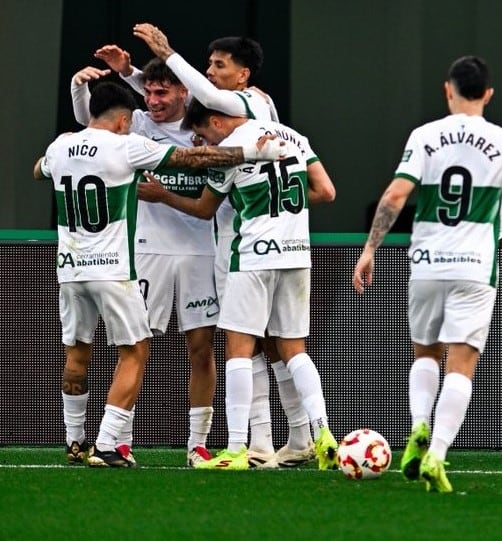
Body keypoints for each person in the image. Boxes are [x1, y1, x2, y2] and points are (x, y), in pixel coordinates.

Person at [35, 80, 286, 467]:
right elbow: (190, 161)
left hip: (74, 266)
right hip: (124, 263)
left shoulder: (59, 146)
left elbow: (40, 170)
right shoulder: (129, 142)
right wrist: (254, 150)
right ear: (124, 120)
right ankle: (112, 443)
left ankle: (81, 440)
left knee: (87, 350)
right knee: (136, 349)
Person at [132, 23, 335, 467]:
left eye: (218, 66)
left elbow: (204, 194)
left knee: (241, 348)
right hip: (295, 250)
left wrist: (167, 53)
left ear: (242, 79)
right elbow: (326, 192)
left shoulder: (238, 130)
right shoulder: (289, 135)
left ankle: (244, 445)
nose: (210, 73)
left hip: (246, 250)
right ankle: (310, 435)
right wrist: (285, 208)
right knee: (287, 346)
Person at [352, 56, 502, 492]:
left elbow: (396, 194)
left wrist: (369, 248)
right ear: (488, 94)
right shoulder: (499, 140)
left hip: (427, 264)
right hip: (475, 266)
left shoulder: (426, 135)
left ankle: (418, 425)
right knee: (462, 363)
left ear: (447, 90)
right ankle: (436, 452)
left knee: (424, 354)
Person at [71, 53, 219, 467]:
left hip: (198, 250)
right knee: (135, 345)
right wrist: (80, 87)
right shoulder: (134, 124)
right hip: (147, 248)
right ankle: (120, 440)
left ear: (184, 93)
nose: (152, 100)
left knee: (201, 349)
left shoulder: (203, 127)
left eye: (162, 92)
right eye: (148, 91)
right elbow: (91, 127)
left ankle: (197, 445)